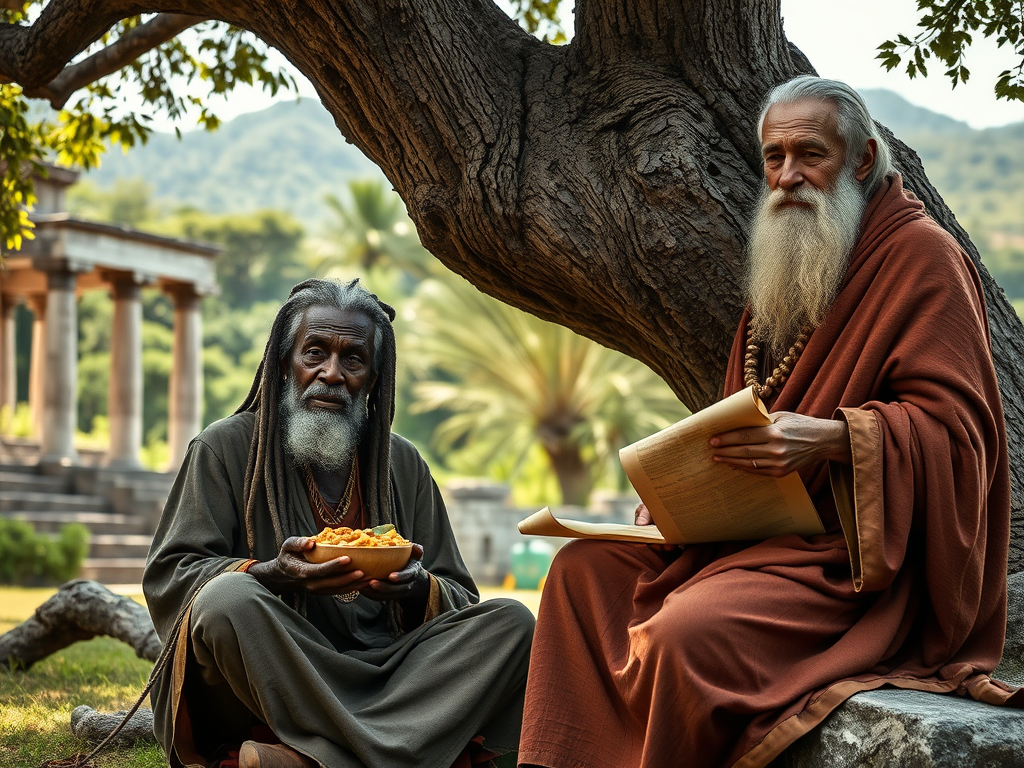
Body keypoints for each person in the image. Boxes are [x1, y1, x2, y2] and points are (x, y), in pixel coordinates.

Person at [518, 75, 1021, 768]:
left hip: (849, 569)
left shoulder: (921, 257)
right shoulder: (790, 254)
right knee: (579, 574)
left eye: (809, 154)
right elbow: (748, 415)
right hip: (752, 546)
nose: (787, 177)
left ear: (863, 160)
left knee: (681, 636)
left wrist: (840, 438)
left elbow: (962, 439)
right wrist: (680, 499)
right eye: (773, 157)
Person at [143, 279, 534, 768]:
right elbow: (171, 575)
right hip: (282, 667)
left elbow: (459, 595)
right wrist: (271, 574)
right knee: (227, 599)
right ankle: (402, 752)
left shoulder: (402, 464)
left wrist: (415, 589)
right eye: (315, 353)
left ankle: (311, 758)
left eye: (353, 359)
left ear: (373, 377)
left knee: (513, 623)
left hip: (392, 672)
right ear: (285, 364)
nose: (331, 373)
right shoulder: (225, 449)